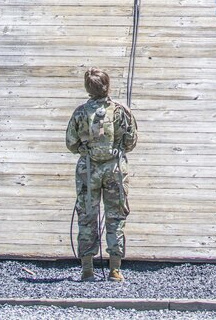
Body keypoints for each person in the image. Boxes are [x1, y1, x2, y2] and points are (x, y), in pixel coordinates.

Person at [66, 68, 138, 283]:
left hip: (88, 170)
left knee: (87, 216)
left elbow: (71, 143)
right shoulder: (121, 111)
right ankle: (115, 269)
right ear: (108, 86)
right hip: (115, 169)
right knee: (116, 217)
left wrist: (85, 150)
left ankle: (87, 269)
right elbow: (131, 141)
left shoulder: (80, 112)